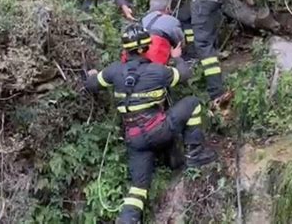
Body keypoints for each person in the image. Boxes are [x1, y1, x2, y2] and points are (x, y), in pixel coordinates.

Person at [86, 24, 215, 224]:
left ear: (125, 49)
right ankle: (194, 154)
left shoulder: (113, 71)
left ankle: (127, 220)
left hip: (135, 140)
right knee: (193, 103)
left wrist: (93, 75)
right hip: (160, 130)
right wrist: (177, 56)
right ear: (145, 48)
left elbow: (92, 85)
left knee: (138, 187)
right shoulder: (157, 71)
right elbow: (185, 74)